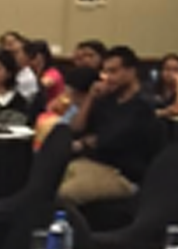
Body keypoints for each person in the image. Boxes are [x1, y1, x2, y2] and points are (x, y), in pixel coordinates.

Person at [62, 46, 164, 205]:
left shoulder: (144, 104)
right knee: (46, 183)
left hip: (122, 174)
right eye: (105, 72)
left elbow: (110, 139)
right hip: (91, 163)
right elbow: (76, 128)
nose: (108, 78)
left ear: (131, 72)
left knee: (65, 194)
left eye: (113, 72)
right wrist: (90, 97)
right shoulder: (107, 100)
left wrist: (87, 142)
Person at [151, 53, 178, 119]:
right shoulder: (151, 88)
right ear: (161, 71)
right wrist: (167, 111)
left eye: (176, 70)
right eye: (167, 69)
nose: (171, 73)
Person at [25, 40, 65, 105]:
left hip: (53, 111)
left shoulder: (52, 72)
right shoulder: (32, 72)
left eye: (32, 57)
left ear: (42, 57)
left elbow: (42, 85)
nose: (29, 61)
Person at [9, 36, 39, 101]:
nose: (10, 56)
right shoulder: (12, 72)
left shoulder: (27, 78)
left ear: (27, 56)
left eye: (15, 53)